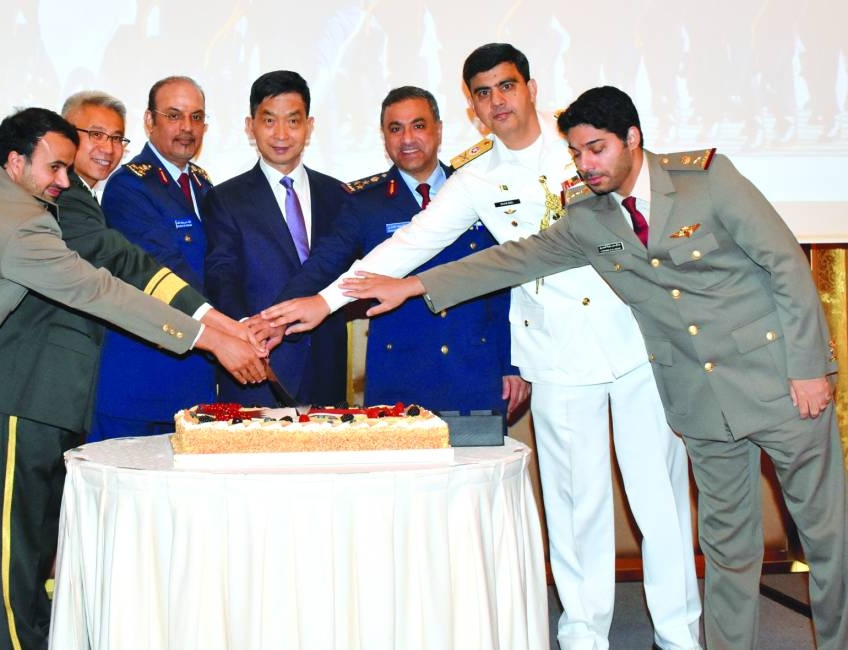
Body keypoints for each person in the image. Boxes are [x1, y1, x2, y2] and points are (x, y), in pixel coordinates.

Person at [338, 85, 847, 650]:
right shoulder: (590, 218)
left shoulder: (709, 180)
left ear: (633, 139)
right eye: (578, 153)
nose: (587, 164)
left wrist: (808, 369)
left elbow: (785, 266)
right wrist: (412, 285)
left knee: (827, 539)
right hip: (702, 405)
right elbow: (511, 259)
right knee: (727, 548)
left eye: (598, 149)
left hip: (780, 385)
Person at [262, 45, 702, 650]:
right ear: (473, 107)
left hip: (633, 345)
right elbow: (407, 247)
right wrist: (326, 302)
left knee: (658, 497)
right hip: (555, 355)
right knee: (577, 505)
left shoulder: (580, 148)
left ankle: (679, 634)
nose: (498, 101)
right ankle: (583, 633)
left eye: (507, 86)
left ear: (530, 89)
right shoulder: (476, 179)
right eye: (484, 93)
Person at [0, 107, 265, 650]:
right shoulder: (24, 227)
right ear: (16, 160)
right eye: (55, 168)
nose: (63, 182)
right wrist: (206, 337)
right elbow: (98, 289)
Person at [0, 92, 260, 650]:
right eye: (90, 135)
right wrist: (217, 329)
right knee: (19, 544)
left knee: (46, 536)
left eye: (115, 137)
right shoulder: (61, 202)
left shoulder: (83, 197)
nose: (104, 148)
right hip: (29, 387)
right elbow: (121, 261)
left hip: (63, 392)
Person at [264, 85, 515, 414]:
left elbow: (505, 281)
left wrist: (514, 365)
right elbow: (323, 265)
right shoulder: (364, 202)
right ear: (384, 137)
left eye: (419, 125)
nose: (407, 138)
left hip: (474, 369)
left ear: (439, 129)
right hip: (401, 374)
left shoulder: (478, 188)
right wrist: (273, 317)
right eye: (395, 129)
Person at [204, 70, 349, 407]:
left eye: (293, 121)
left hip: (326, 366)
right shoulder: (225, 198)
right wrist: (245, 333)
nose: (281, 134)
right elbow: (221, 273)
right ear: (249, 126)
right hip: (257, 366)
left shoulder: (339, 195)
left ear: (309, 127)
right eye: (269, 121)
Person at [90, 76, 217, 440]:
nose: (187, 128)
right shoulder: (128, 185)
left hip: (194, 382)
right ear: (149, 121)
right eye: (174, 115)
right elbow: (165, 271)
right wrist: (232, 328)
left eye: (196, 117)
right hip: (141, 381)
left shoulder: (202, 184)